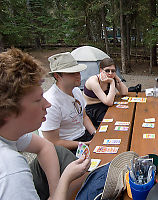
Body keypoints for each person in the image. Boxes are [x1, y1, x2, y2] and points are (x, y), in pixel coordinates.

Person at [0, 48, 90, 200]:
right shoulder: (11, 169)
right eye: (37, 99)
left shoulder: (9, 132)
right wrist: (65, 179)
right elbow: (52, 142)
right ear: (7, 111)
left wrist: (55, 192)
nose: (47, 104)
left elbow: (45, 146)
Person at [39, 52, 97, 154]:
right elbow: (52, 141)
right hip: (66, 148)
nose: (78, 75)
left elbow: (84, 117)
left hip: (83, 136)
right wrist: (86, 144)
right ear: (57, 76)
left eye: (78, 71)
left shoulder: (76, 91)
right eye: (72, 73)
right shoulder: (50, 102)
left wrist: (95, 133)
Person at [84, 58, 128, 128]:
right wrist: (112, 82)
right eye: (107, 70)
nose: (110, 73)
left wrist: (117, 78)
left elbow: (124, 92)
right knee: (113, 124)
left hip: (105, 105)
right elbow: (109, 102)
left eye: (113, 71)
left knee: (125, 115)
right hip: (93, 110)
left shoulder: (111, 78)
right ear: (101, 70)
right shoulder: (93, 81)